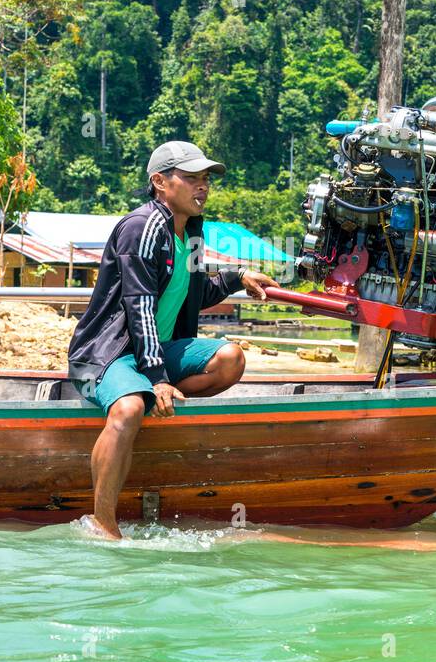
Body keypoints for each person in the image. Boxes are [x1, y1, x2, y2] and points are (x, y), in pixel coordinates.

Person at [67, 141, 279, 539]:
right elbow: (139, 306)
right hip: (109, 354)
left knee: (230, 358)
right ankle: (104, 524)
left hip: (156, 353)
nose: (203, 187)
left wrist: (238, 277)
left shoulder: (193, 233)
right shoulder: (140, 228)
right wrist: (158, 378)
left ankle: (149, 392)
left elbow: (197, 290)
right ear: (160, 182)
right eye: (192, 178)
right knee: (129, 410)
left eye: (206, 180)